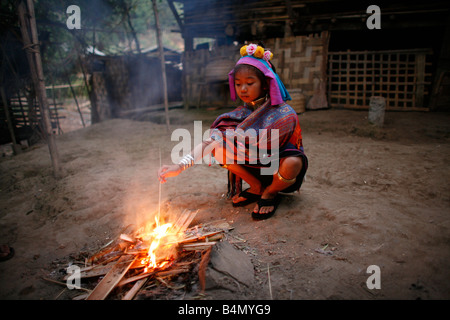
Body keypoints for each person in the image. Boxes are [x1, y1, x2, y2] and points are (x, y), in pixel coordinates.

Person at [158, 43, 308, 220]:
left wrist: (239, 140)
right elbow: (211, 141)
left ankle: (269, 192)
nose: (243, 89)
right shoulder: (238, 115)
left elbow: (270, 146)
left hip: (278, 172)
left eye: (249, 83)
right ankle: (256, 186)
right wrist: (179, 166)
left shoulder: (285, 115)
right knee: (216, 147)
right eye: (238, 84)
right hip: (253, 169)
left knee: (293, 161)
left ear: (266, 84)